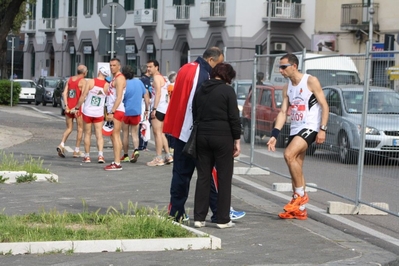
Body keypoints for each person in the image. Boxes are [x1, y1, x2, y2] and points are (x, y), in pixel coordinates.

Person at [163, 47, 224, 222]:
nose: (218, 69)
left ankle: (177, 211)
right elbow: (196, 102)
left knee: (182, 174)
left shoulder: (186, 67)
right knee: (205, 172)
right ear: (211, 60)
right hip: (191, 131)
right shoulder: (202, 73)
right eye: (218, 65)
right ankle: (217, 211)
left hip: (181, 128)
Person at [267, 53, 329, 220]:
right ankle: (300, 209)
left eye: (283, 67)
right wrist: (274, 134)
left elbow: (324, 105)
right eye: (279, 67)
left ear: (294, 66)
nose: (280, 70)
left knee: (288, 154)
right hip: (295, 127)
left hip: (310, 126)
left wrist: (322, 129)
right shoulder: (287, 87)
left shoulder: (310, 81)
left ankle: (299, 196)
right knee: (296, 165)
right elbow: (282, 112)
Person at [192, 63, 241, 229]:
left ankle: (199, 218)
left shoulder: (200, 89)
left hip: (202, 135)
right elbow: (234, 117)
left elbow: (194, 113)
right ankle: (222, 218)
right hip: (222, 136)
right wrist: (237, 139)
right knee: (224, 177)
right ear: (227, 76)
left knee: (203, 177)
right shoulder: (227, 91)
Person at [72, 67, 110, 164]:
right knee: (99, 135)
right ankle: (100, 155)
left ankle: (87, 156)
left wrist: (77, 107)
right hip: (98, 113)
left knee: (87, 134)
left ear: (99, 72)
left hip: (88, 111)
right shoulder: (107, 85)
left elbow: (83, 96)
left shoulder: (90, 82)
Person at [120, 65, 150, 163]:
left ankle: (125, 155)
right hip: (136, 111)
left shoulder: (124, 83)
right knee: (134, 134)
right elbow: (146, 96)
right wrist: (146, 109)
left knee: (125, 134)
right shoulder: (139, 82)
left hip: (125, 111)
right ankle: (136, 149)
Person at [146, 59, 173, 166]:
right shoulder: (164, 78)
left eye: (150, 67)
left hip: (159, 108)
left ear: (156, 67)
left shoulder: (156, 78)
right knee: (161, 133)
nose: (148, 69)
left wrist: (154, 109)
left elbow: (158, 94)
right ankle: (168, 155)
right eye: (147, 67)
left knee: (157, 133)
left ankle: (158, 158)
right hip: (164, 108)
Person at [56, 64, 87, 158]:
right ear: (84, 73)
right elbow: (83, 96)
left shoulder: (70, 80)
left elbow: (64, 93)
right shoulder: (83, 82)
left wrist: (66, 105)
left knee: (69, 128)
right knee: (80, 128)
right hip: (77, 109)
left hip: (69, 108)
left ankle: (61, 144)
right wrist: (77, 107)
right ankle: (76, 150)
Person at [104, 58, 126, 171]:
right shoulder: (114, 78)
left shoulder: (120, 78)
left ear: (119, 66)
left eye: (114, 65)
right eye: (110, 65)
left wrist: (112, 111)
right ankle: (116, 160)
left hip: (117, 110)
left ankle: (117, 163)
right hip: (113, 109)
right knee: (113, 135)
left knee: (115, 135)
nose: (112, 67)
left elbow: (119, 97)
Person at [138, 65, 152, 151]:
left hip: (142, 103)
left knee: (143, 124)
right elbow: (146, 94)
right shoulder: (145, 80)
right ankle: (142, 145)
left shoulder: (141, 79)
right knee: (145, 123)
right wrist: (147, 108)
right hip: (144, 104)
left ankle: (142, 144)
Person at [166, 71, 177, 152]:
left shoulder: (168, 87)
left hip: (167, 107)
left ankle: (168, 145)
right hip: (174, 108)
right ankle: (172, 146)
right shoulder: (176, 86)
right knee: (174, 128)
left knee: (168, 128)